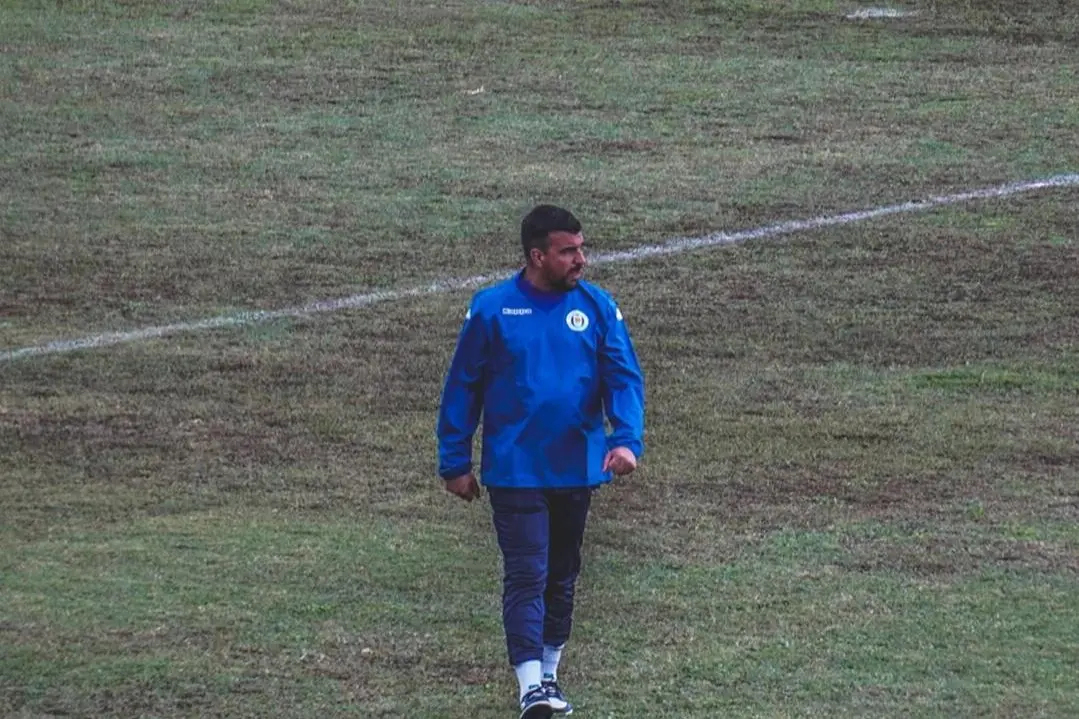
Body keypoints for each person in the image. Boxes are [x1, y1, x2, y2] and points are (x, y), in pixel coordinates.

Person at [436, 204, 646, 719]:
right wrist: (454, 461)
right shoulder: (492, 309)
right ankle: (531, 684)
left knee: (562, 574)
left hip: (578, 466)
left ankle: (548, 673)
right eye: (568, 251)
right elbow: (462, 388)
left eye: (581, 248)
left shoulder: (598, 307)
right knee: (527, 573)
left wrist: (627, 441)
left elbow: (623, 378)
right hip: (515, 469)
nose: (581, 260)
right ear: (537, 256)